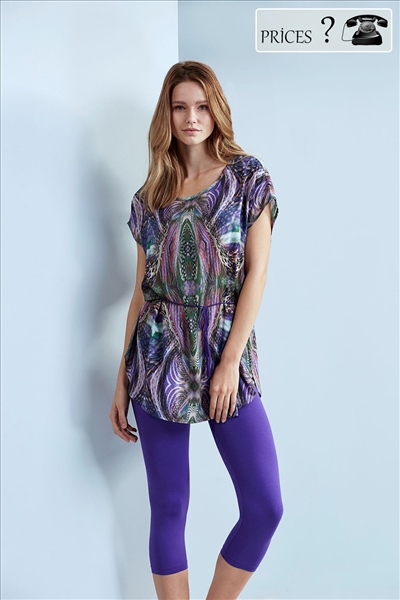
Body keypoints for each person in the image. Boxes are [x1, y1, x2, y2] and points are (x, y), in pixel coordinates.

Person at [110, 60, 284, 600]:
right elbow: (142, 293)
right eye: (180, 106)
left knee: (264, 505)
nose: (191, 117)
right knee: (168, 506)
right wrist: (121, 379)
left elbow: (256, 274)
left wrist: (230, 361)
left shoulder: (246, 178)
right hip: (157, 359)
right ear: (166, 114)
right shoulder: (149, 199)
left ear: (217, 111)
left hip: (224, 352)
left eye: (202, 106)